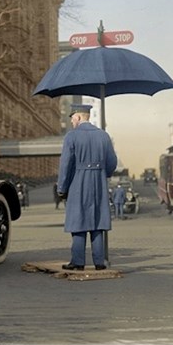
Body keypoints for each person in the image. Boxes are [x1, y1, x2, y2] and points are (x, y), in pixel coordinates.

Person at [56, 104, 118, 271]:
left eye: (72, 119)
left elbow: (66, 165)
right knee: (97, 221)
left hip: (78, 181)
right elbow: (112, 162)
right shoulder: (104, 136)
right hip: (98, 182)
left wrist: (62, 187)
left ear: (78, 117)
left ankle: (78, 262)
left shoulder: (71, 136)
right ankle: (99, 262)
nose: (71, 122)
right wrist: (102, 173)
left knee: (78, 221)